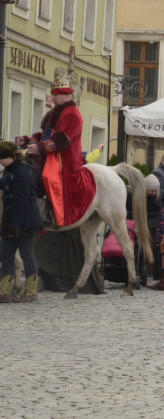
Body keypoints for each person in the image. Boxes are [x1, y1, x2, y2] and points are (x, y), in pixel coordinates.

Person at [39, 71, 95, 227]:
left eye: (55, 95)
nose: (52, 98)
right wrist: (27, 141)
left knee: (48, 176)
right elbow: (45, 135)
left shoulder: (72, 115)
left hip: (64, 158)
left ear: (64, 95)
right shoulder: (55, 113)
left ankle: (52, 213)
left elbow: (62, 141)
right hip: (51, 154)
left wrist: (39, 148)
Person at [0, 141, 45, 303]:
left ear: (8, 157)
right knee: (6, 256)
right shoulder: (9, 170)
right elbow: (5, 186)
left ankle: (31, 292)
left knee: (27, 255)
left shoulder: (22, 172)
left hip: (25, 222)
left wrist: (15, 227)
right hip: (10, 220)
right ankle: (4, 292)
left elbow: (22, 202)